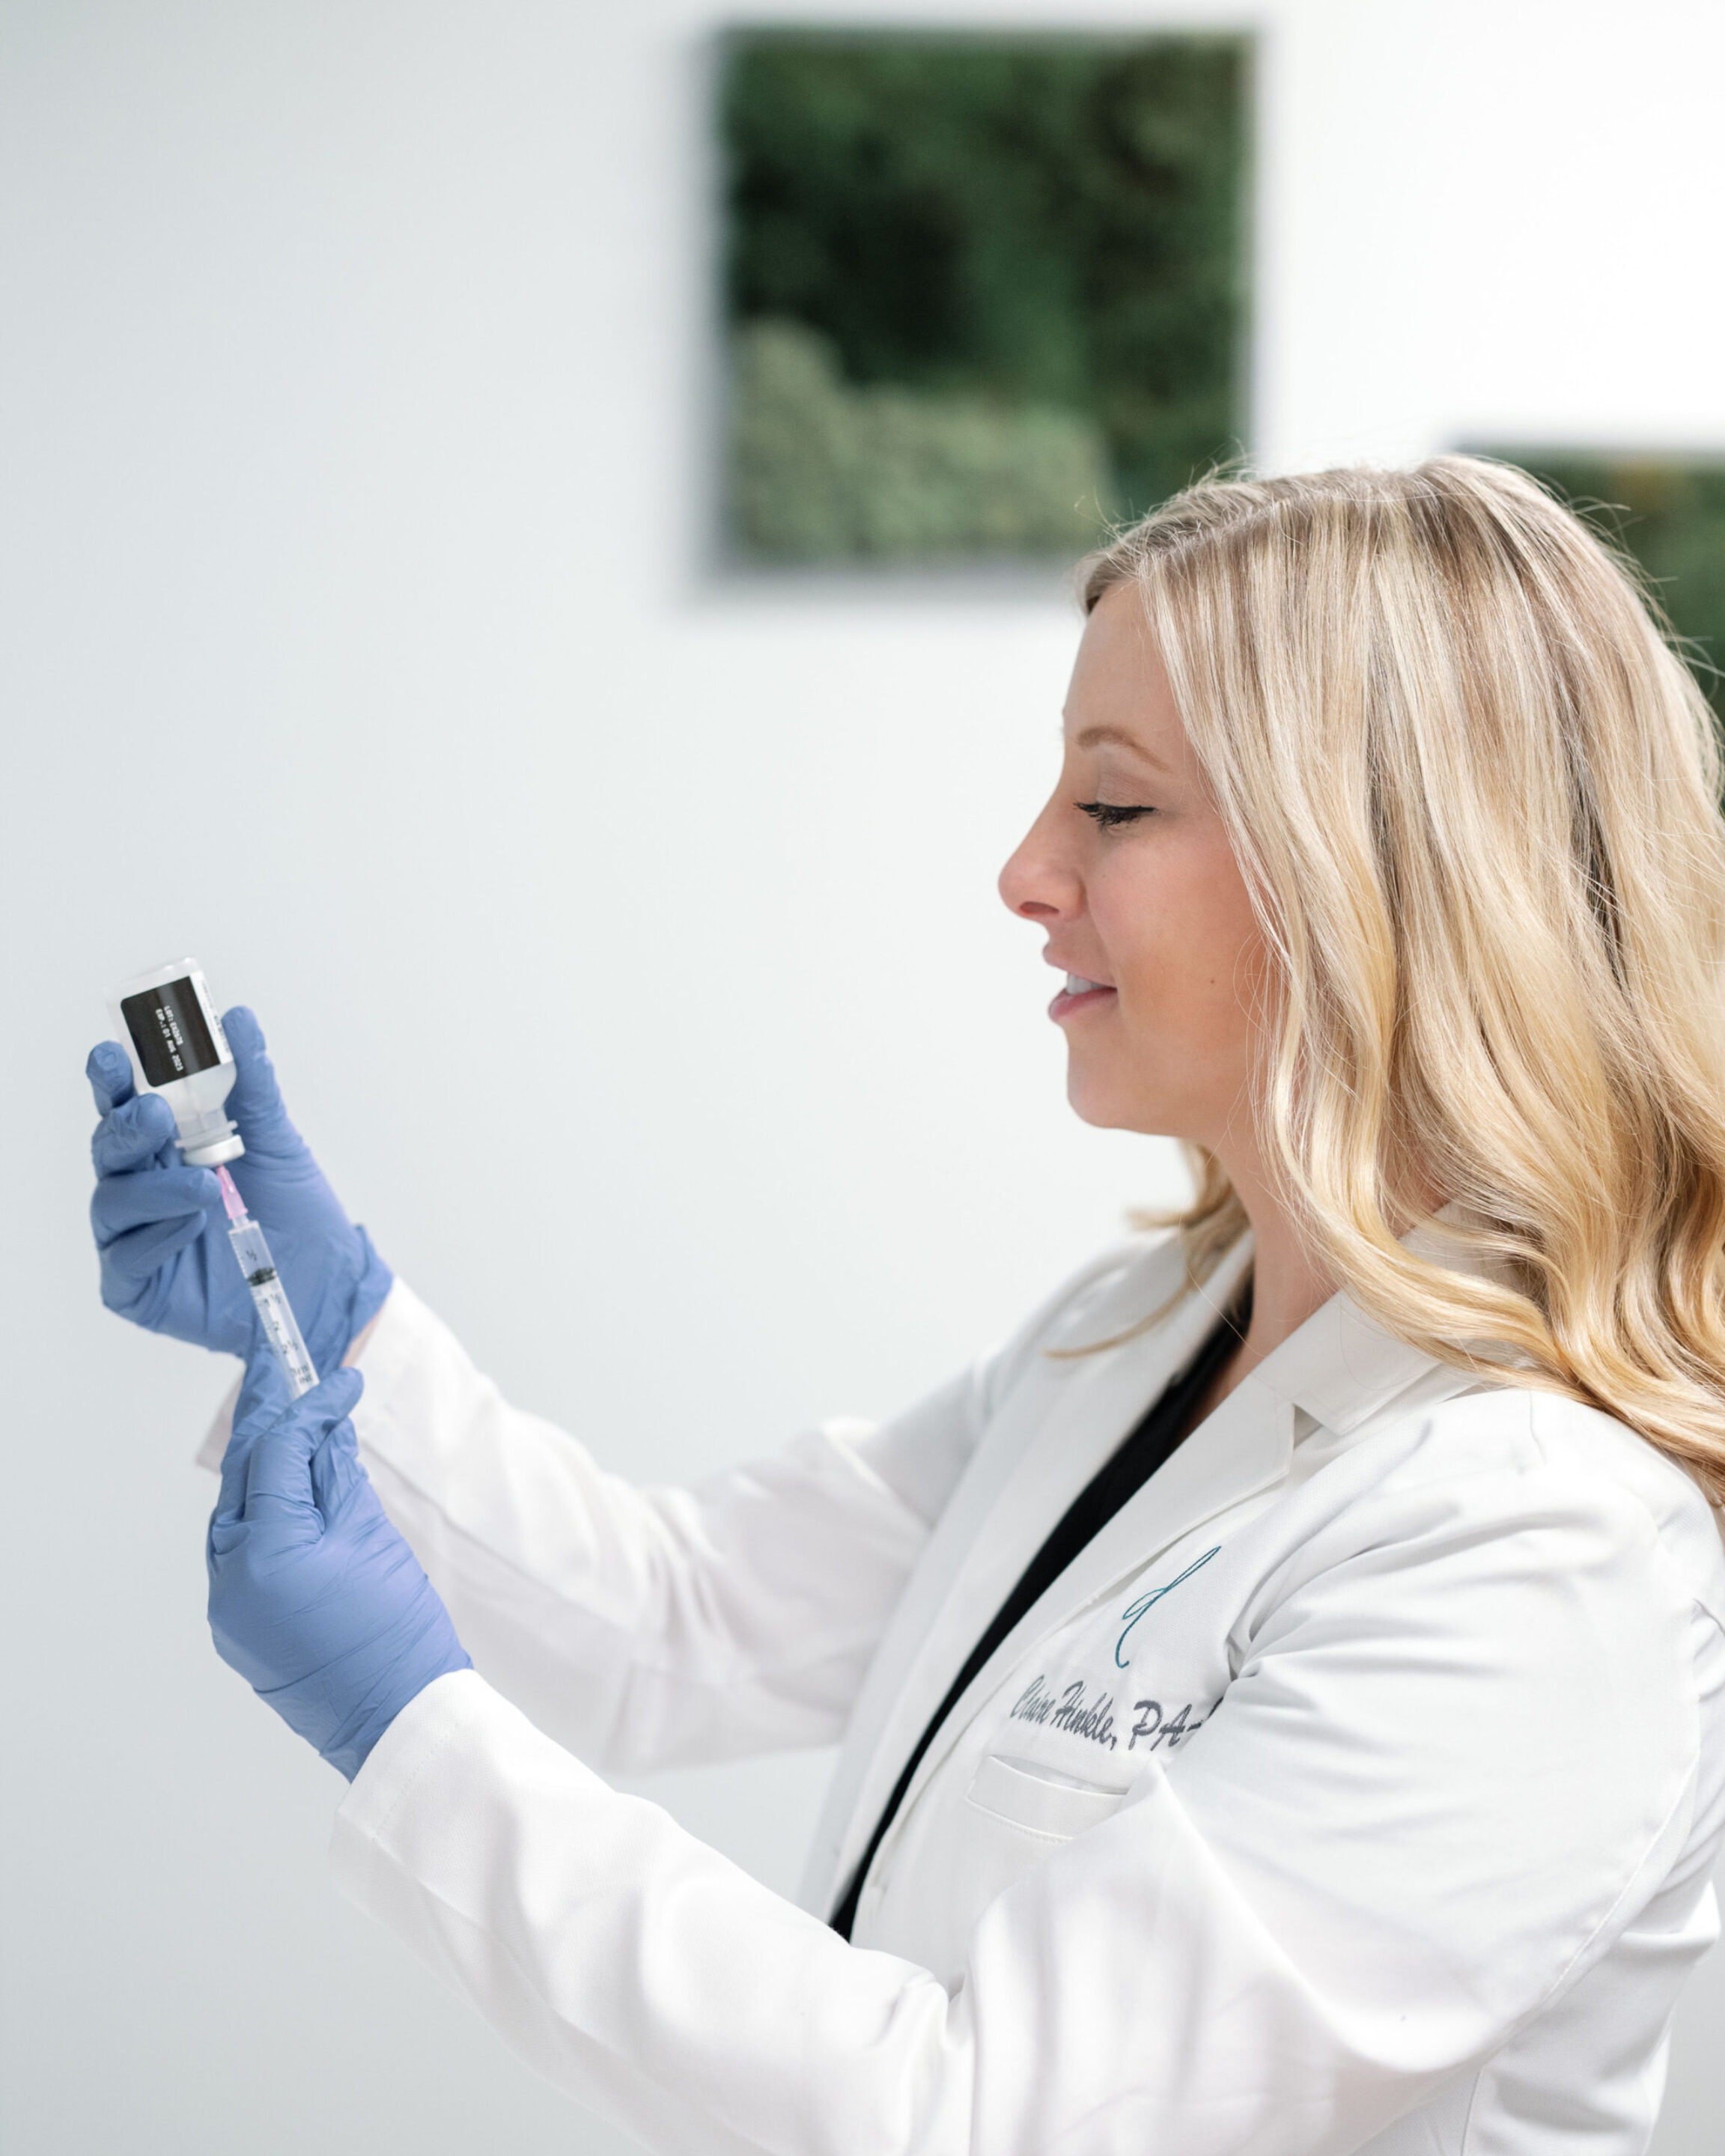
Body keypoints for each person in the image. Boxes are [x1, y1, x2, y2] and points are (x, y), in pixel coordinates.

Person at [88, 459, 1725, 2156]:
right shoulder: (1153, 1331)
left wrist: (401, 1724)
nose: (1025, 871)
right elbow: (674, 1621)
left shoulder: (1544, 1552)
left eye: (1114, 805)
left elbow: (980, 2121)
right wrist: (325, 1322)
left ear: (1376, 875)